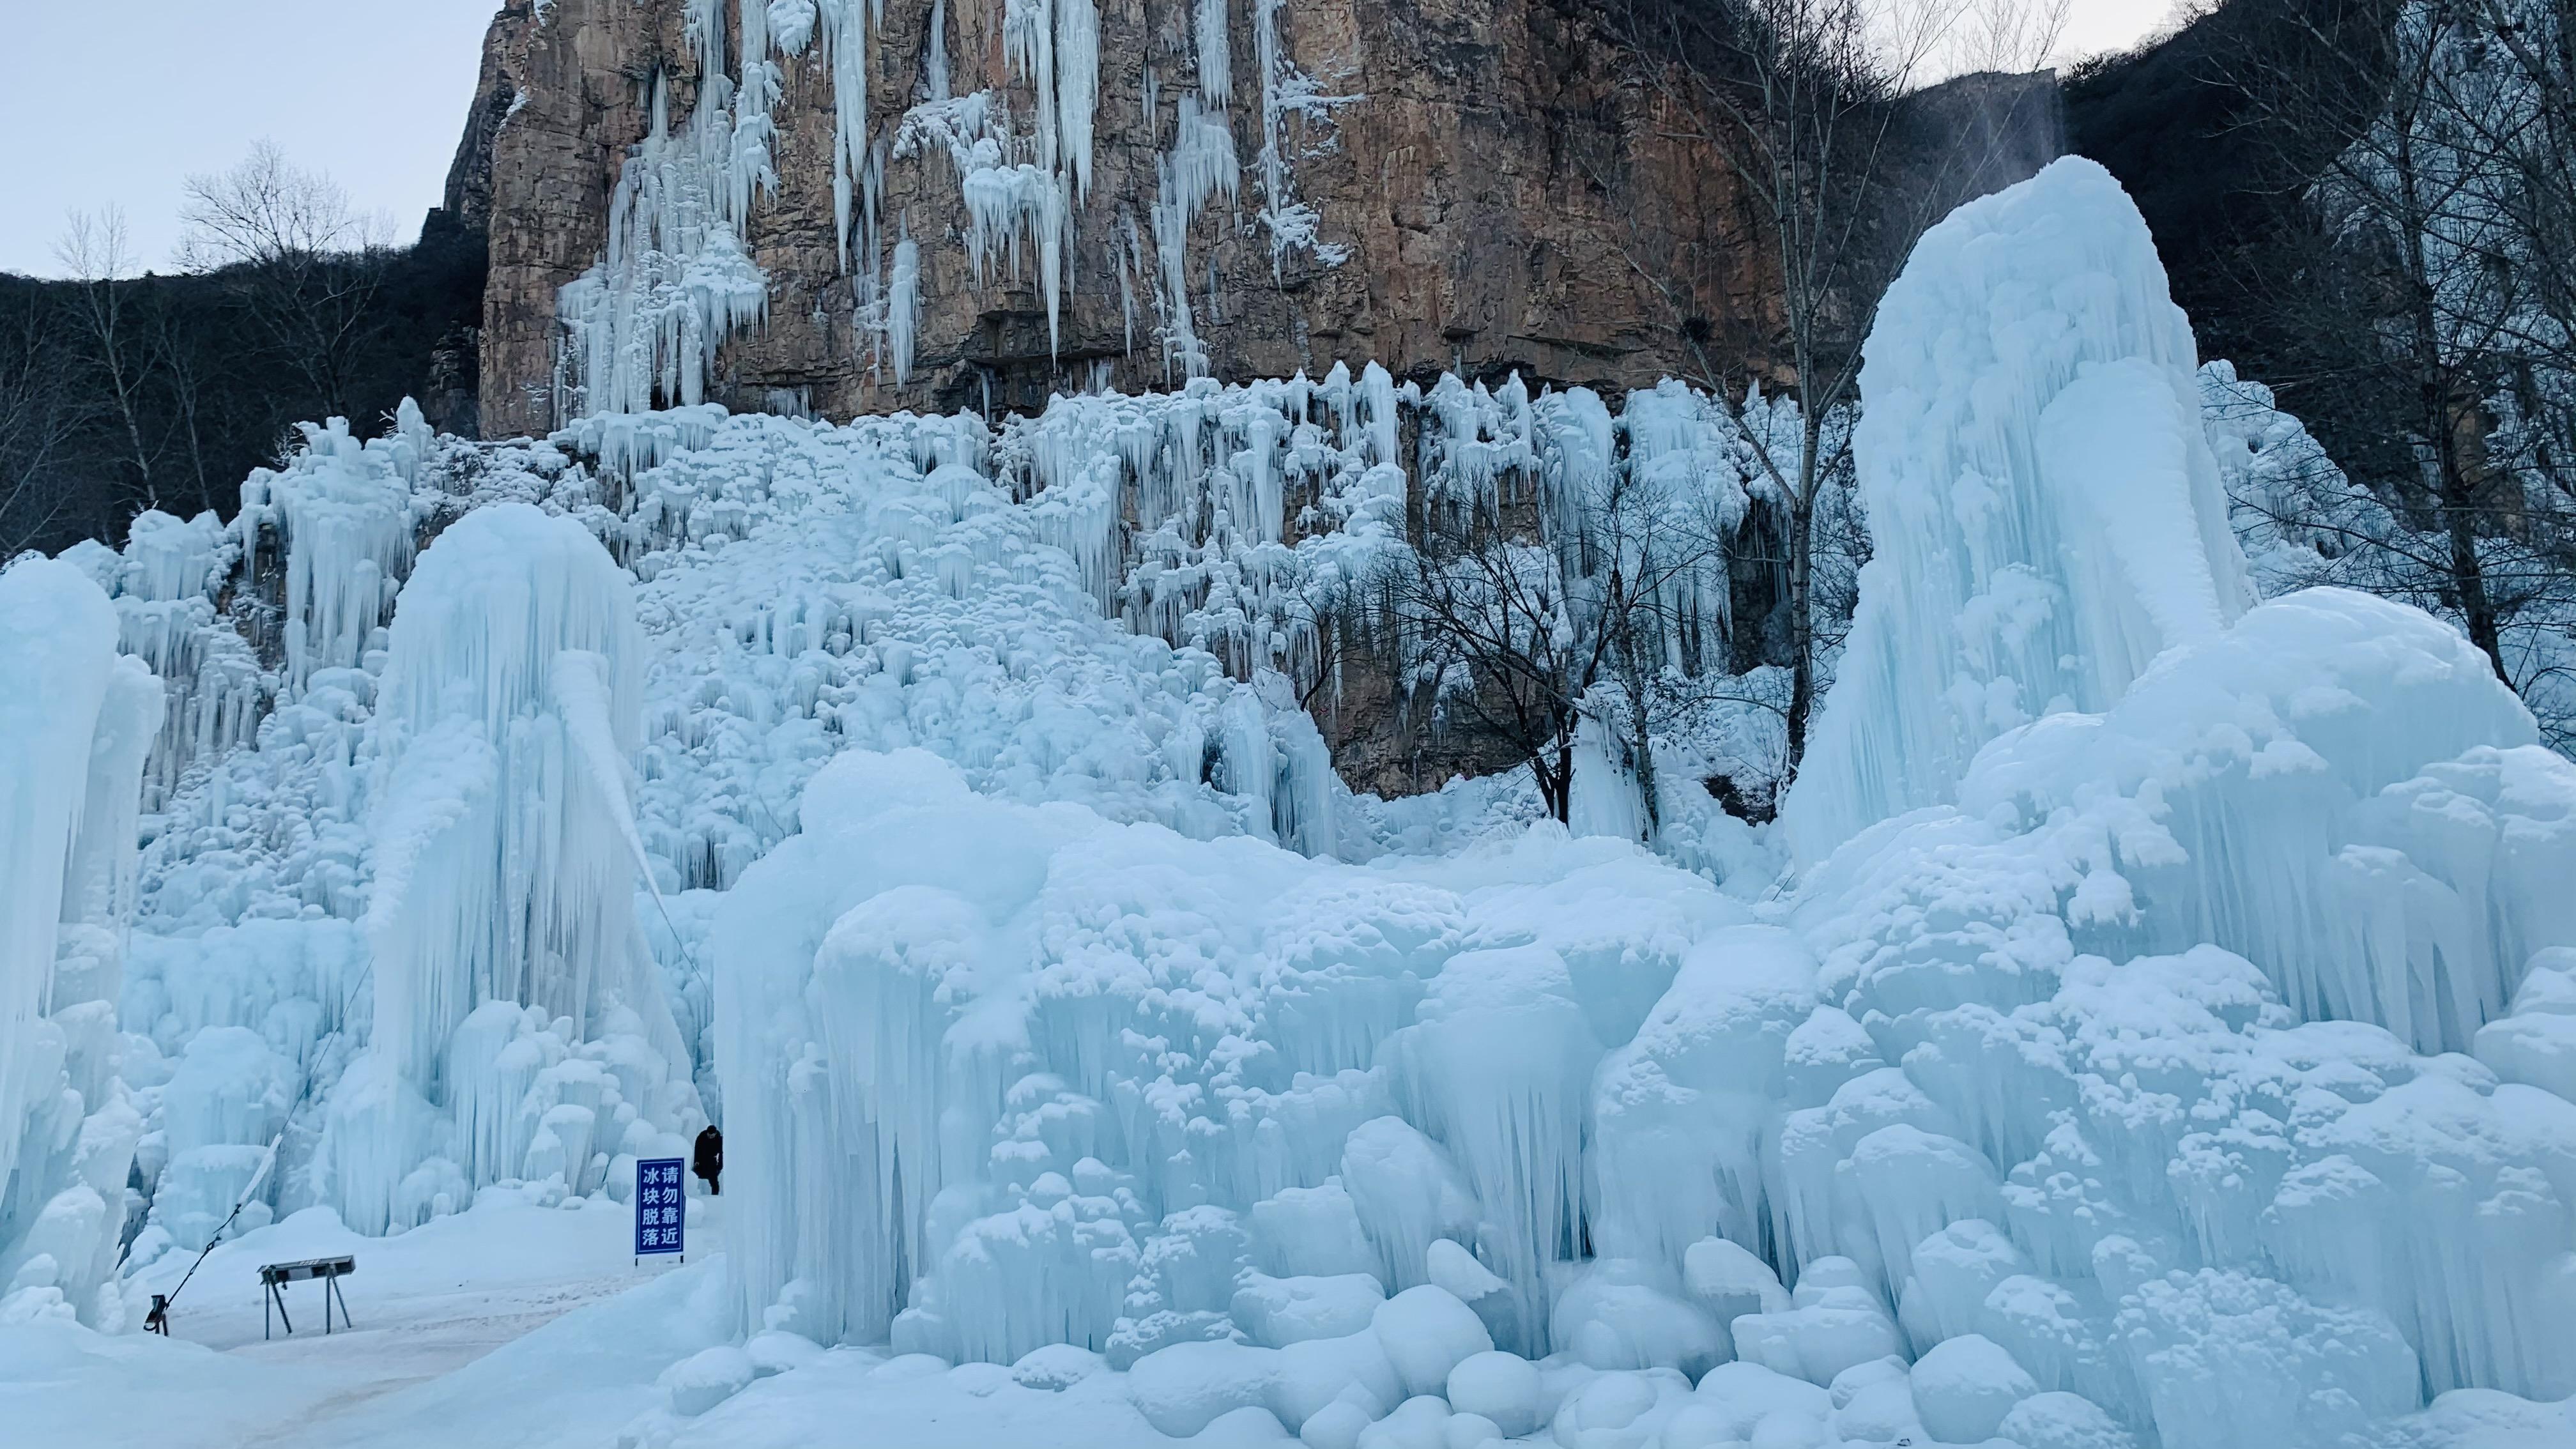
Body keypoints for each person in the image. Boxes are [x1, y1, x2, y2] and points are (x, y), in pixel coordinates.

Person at [693, 1124, 723, 1197]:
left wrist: (720, 1166)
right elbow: (697, 1149)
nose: (710, 1137)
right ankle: (693, 1194)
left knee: (714, 1182)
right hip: (701, 1159)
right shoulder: (702, 1136)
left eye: (712, 1136)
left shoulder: (719, 1139)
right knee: (694, 1176)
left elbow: (721, 1154)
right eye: (709, 1135)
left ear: (715, 1134)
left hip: (712, 1161)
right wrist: (696, 1161)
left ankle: (714, 1197)